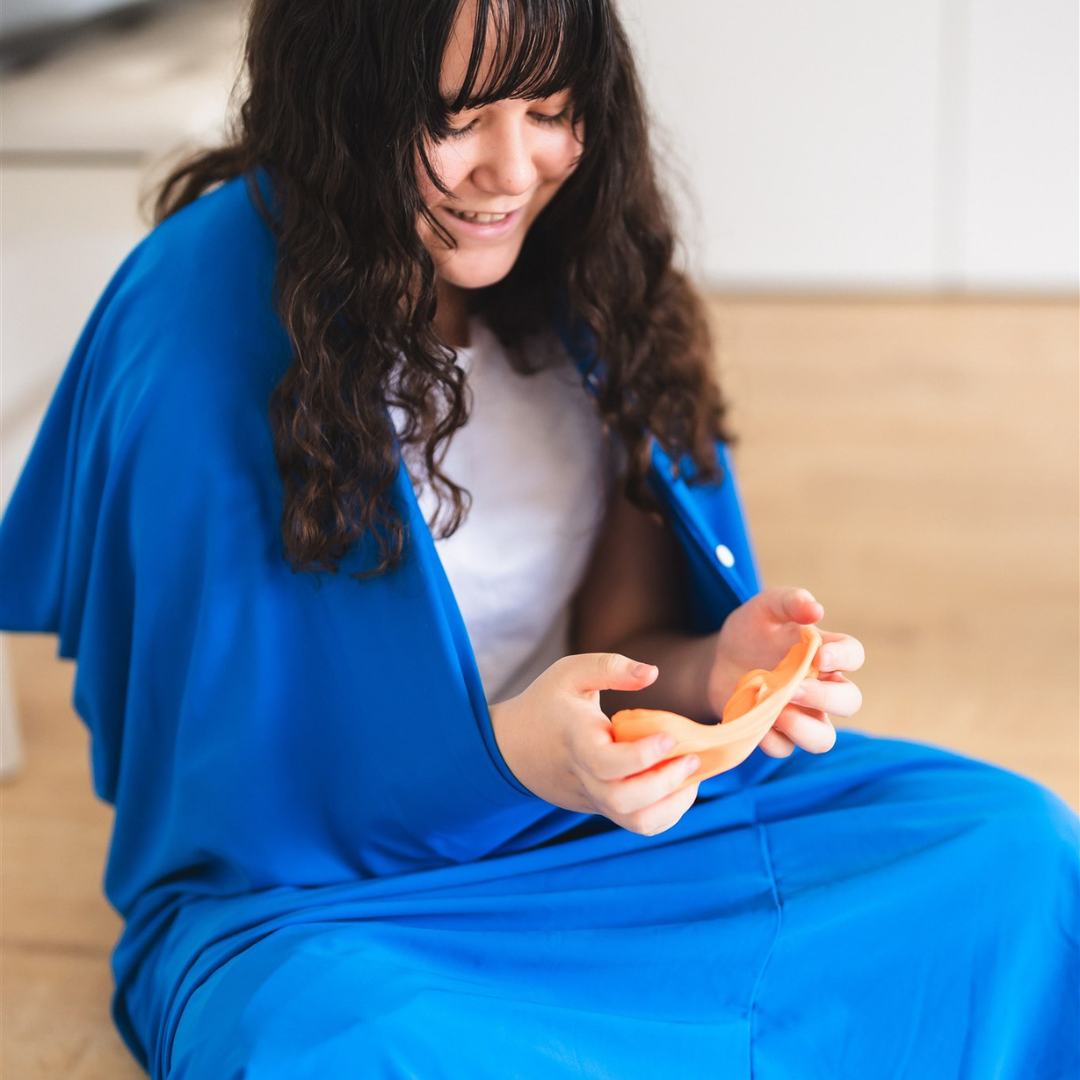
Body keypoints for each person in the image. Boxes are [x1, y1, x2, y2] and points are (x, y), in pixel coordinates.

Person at [1, 1, 1076, 1077]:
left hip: (605, 845)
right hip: (342, 911)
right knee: (346, 1045)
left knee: (1015, 851)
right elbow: (218, 799)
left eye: (552, 109)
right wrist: (512, 757)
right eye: (453, 120)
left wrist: (714, 679)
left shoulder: (588, 269)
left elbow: (628, 639)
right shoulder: (198, 319)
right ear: (342, 103)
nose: (512, 169)